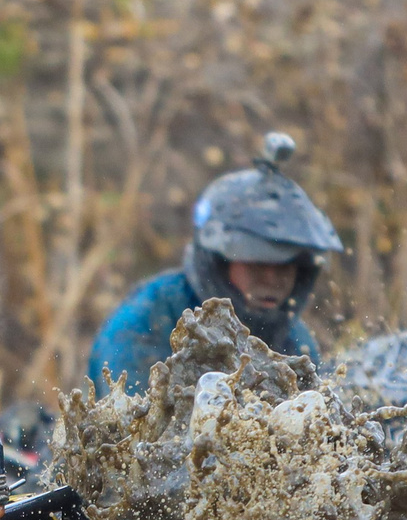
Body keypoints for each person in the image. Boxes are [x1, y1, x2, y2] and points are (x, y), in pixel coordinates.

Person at [86, 132, 343, 388]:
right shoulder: (147, 322)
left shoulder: (295, 341)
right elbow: (133, 422)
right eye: (256, 264)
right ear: (218, 262)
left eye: (286, 267)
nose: (272, 280)